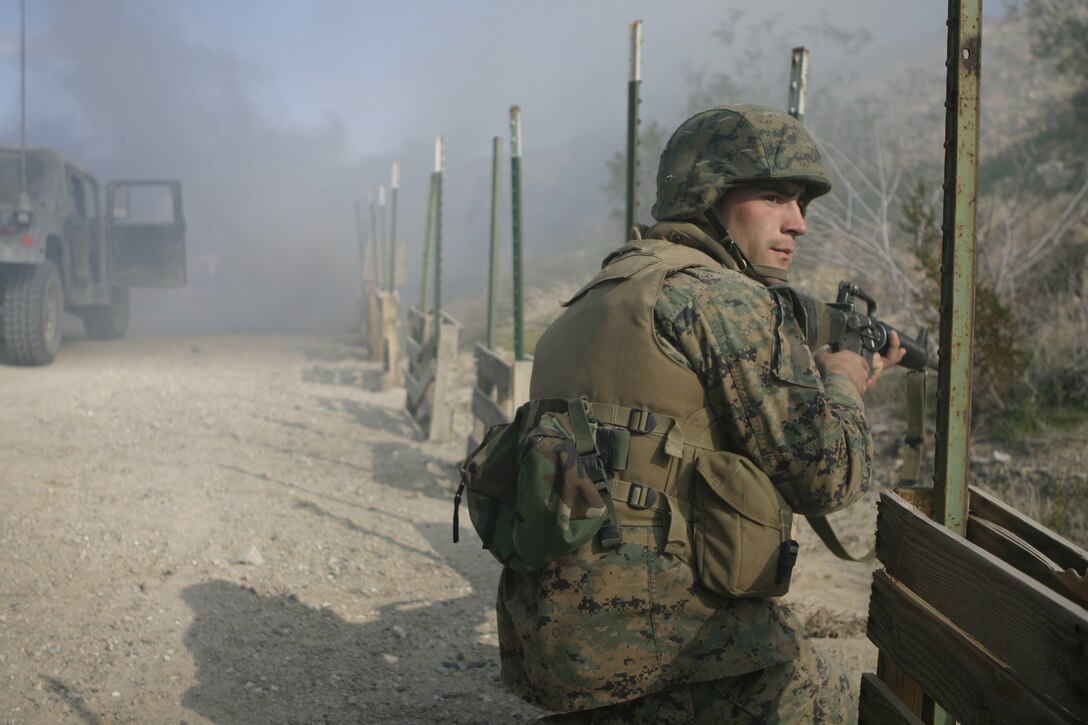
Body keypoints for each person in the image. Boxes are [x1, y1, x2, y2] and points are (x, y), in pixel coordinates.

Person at [495, 104, 906, 723]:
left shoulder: (592, 298)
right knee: (876, 705)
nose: (798, 224)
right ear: (707, 197)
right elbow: (830, 478)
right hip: (676, 657)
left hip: (557, 657)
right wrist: (845, 380)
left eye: (801, 203)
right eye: (774, 196)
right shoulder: (724, 300)